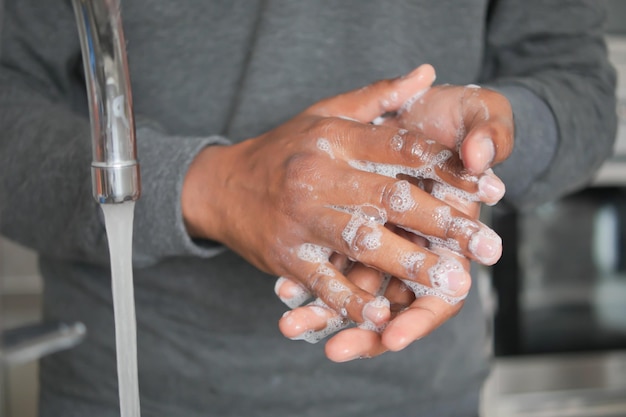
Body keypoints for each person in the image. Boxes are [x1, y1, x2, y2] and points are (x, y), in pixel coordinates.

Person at [0, 1, 616, 416]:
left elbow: (577, 87)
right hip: (129, 385)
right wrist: (214, 186)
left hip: (418, 394)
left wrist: (482, 139)